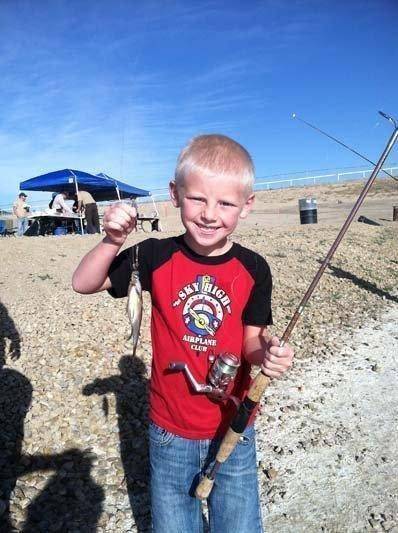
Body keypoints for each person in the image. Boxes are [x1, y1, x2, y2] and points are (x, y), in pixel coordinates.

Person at [72, 134, 294, 533]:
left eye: (225, 203)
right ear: (175, 195)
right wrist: (113, 240)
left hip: (235, 425)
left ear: (247, 206)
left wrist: (267, 355)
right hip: (169, 429)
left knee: (239, 525)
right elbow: (84, 283)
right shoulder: (153, 256)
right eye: (198, 199)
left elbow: (251, 341)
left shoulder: (254, 268)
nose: (210, 214)